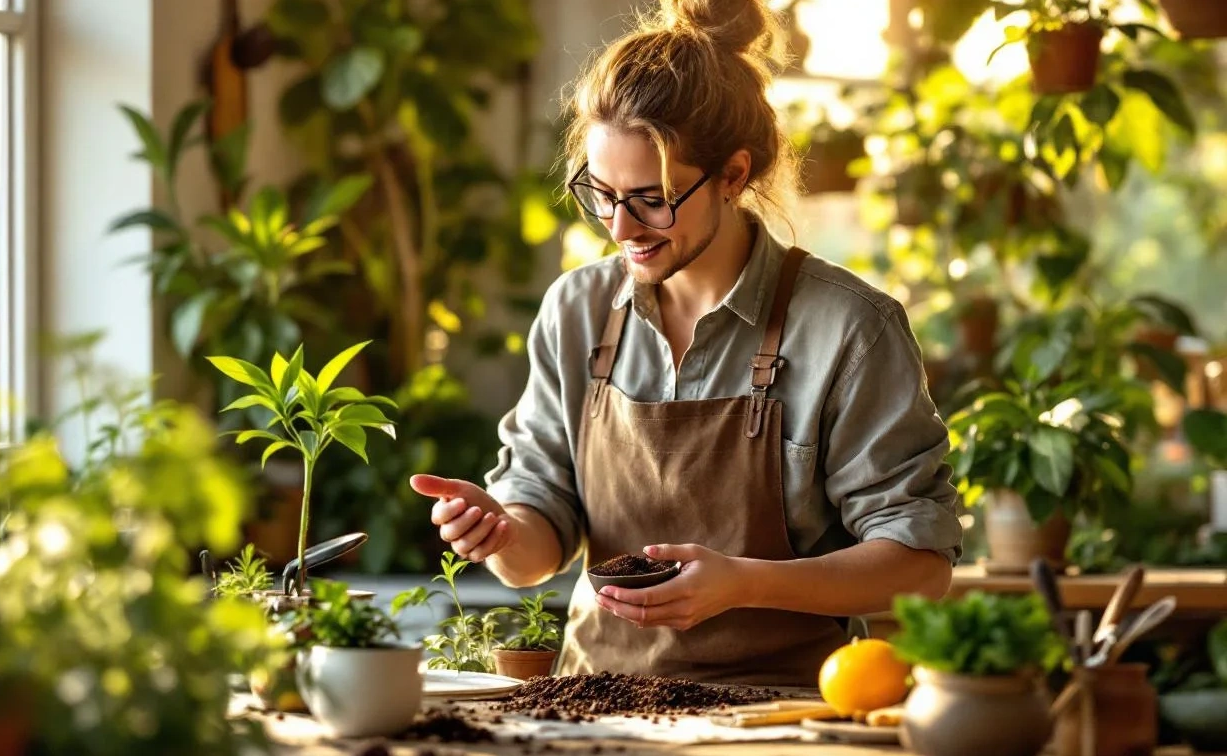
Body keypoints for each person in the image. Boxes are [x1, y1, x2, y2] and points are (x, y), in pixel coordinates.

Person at [410, 0, 962, 686]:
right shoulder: (576, 311)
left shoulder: (848, 328)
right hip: (595, 702)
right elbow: (533, 556)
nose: (620, 228)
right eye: (602, 194)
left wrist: (744, 583)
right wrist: (499, 531)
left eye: (653, 198)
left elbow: (920, 567)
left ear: (733, 176)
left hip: (782, 715)